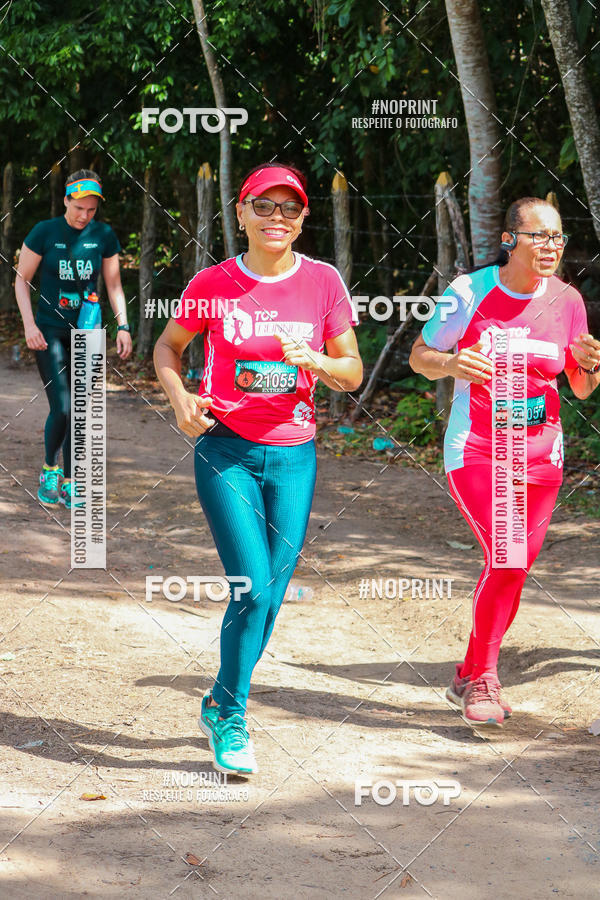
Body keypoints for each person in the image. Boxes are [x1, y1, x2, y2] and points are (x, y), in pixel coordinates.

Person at [154, 163, 362, 773]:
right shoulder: (213, 283)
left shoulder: (323, 282)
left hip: (295, 455)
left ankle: (219, 701)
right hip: (226, 449)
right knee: (252, 585)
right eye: (263, 207)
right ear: (240, 213)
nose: (278, 218)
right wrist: (180, 401)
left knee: (270, 597)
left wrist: (318, 360)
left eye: (289, 208)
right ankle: (234, 713)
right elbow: (168, 347)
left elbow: (350, 372)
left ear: (302, 220)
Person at [409, 197, 600, 727]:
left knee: (513, 568)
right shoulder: (468, 293)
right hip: (478, 450)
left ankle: (469, 670)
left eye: (558, 237)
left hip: (543, 455)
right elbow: (418, 357)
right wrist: (452, 362)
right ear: (510, 240)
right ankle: (485, 682)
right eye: (539, 236)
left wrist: (590, 366)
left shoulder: (567, 300)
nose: (551, 247)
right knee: (509, 557)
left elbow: (580, 388)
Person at [15, 169, 132, 509]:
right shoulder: (44, 232)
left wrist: (122, 326)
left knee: (81, 411)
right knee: (63, 406)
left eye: (91, 209)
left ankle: (72, 480)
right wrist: (28, 326)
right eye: (79, 207)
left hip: (89, 333)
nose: (85, 215)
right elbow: (21, 280)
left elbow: (113, 285)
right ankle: (50, 469)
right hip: (48, 330)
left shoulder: (104, 235)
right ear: (66, 199)